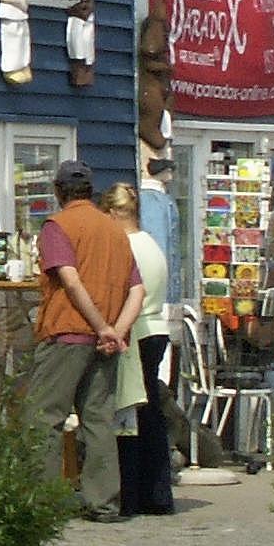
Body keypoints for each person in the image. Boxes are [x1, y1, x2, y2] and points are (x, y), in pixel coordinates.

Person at [27, 160, 144, 522]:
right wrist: (115, 331)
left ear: (59, 191)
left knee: (44, 417)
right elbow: (137, 290)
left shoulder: (57, 226)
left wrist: (100, 327)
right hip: (104, 341)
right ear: (91, 192)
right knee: (98, 420)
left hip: (67, 332)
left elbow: (71, 281)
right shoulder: (115, 232)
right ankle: (104, 502)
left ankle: (44, 503)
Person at [99, 183, 175, 515]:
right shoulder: (151, 244)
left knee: (129, 413)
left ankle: (131, 493)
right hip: (157, 327)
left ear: (114, 213)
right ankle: (157, 493)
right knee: (152, 412)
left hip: (137, 329)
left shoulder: (125, 246)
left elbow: (128, 292)